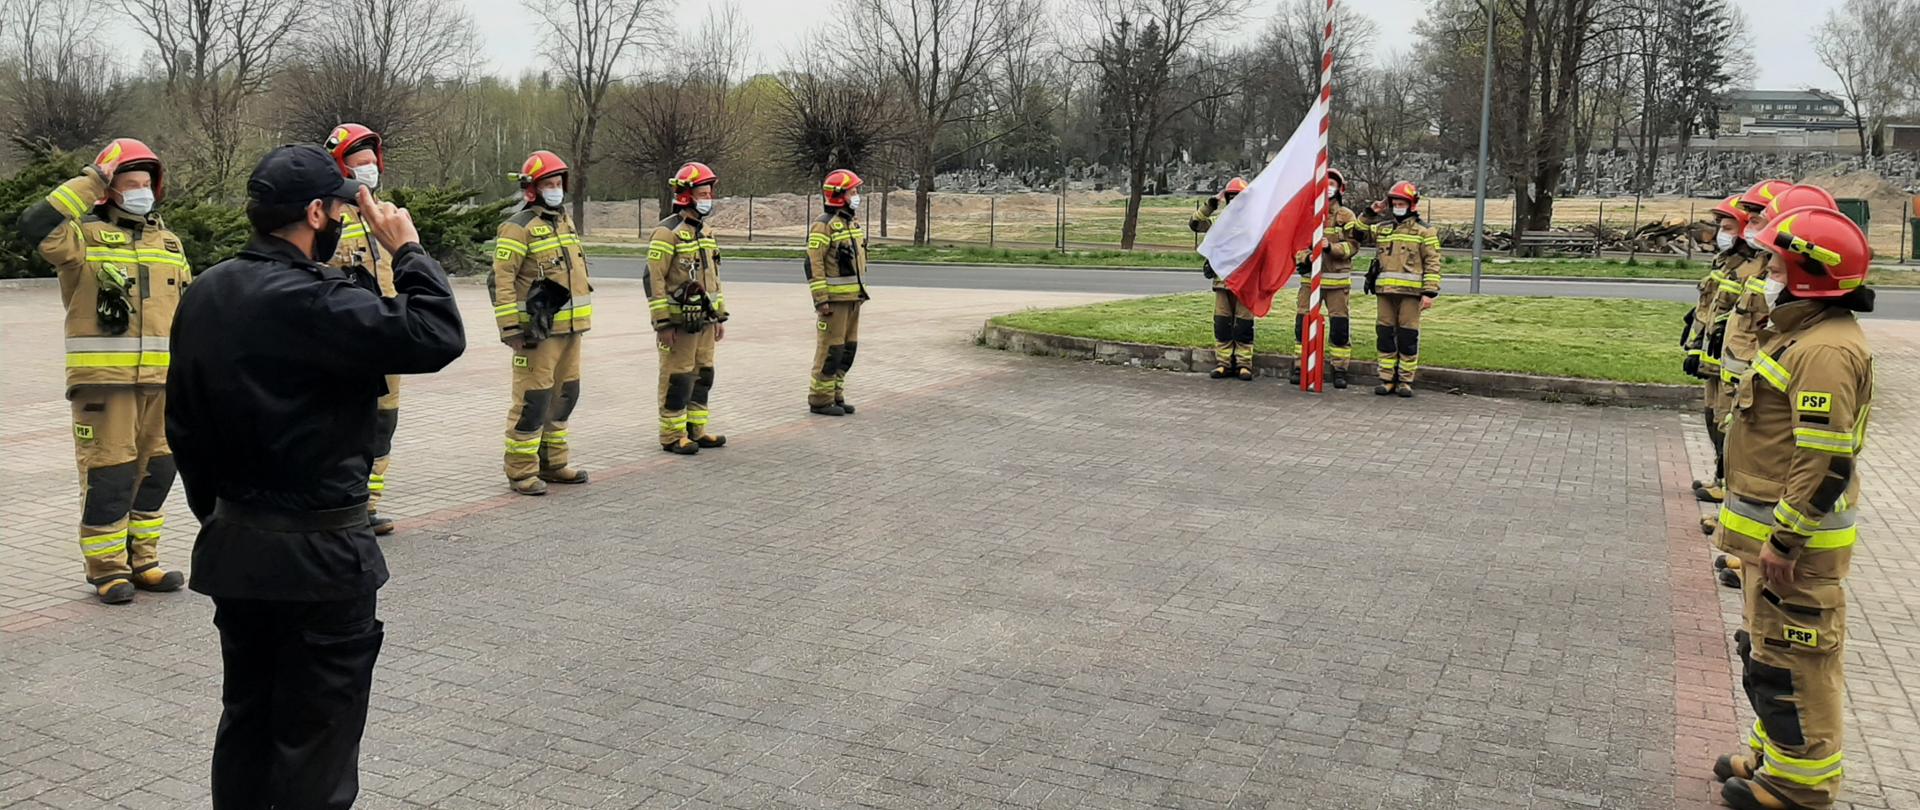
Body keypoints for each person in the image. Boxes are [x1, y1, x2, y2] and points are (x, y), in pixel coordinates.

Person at [166, 143, 465, 808]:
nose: (341, 218)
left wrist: (223, 516)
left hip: (237, 546)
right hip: (321, 554)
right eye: (336, 206)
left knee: (246, 720)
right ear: (314, 213)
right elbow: (438, 334)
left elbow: (183, 426)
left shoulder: (207, 292)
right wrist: (407, 250)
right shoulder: (316, 299)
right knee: (317, 741)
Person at [1710, 204, 1873, 810]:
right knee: (1768, 653)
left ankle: (1800, 787)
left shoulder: (1825, 352)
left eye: (1777, 261)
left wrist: (1784, 540)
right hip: (1775, 547)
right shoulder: (1804, 333)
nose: (1767, 269)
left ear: (1806, 273)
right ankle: (1773, 754)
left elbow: (1826, 463)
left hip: (1795, 552)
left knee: (1798, 663)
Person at [18, 138, 189, 604]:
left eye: (145, 184)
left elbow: (188, 314)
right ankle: (108, 570)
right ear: (110, 191)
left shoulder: (170, 243)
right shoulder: (81, 238)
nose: (140, 191)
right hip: (105, 385)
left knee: (157, 473)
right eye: (128, 183)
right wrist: (93, 177)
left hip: (163, 386)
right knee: (109, 476)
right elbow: (34, 224)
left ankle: (144, 561)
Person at [492, 150, 594, 494]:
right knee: (532, 401)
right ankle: (521, 472)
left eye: (558, 183)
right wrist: (510, 330)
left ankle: (554, 463)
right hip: (537, 333)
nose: (555, 189)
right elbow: (501, 280)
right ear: (532, 189)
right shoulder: (517, 227)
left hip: (571, 330)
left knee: (565, 396)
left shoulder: (564, 221)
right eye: (548, 184)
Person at [1696, 179, 1791, 506]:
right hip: (1728, 365)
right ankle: (1725, 491)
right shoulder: (1754, 267)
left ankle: (1730, 497)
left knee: (1740, 440)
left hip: (1748, 375)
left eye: (1754, 219)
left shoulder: (1772, 273)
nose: (1746, 228)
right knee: (1719, 424)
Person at [324, 124, 400, 533]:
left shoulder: (384, 215)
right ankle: (344, 505)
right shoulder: (326, 217)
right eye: (359, 163)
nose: (369, 170)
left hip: (386, 340)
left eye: (372, 162)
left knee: (383, 425)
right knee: (347, 428)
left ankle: (368, 506)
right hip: (347, 347)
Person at [1685, 195, 1760, 587]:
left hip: (1740, 373)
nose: (1719, 235)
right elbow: (1718, 313)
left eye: (1728, 227)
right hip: (1723, 365)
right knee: (1717, 426)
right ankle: (1729, 513)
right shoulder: (1733, 264)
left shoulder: (1754, 270)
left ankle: (1743, 545)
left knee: (1740, 449)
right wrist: (1697, 342)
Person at [648, 161, 730, 454]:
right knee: (677, 377)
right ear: (685, 195)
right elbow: (654, 279)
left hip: (705, 322)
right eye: (702, 193)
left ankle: (697, 429)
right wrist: (663, 323)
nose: (707, 199)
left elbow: (714, 280)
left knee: (702, 374)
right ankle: (672, 435)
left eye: (709, 193)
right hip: (679, 324)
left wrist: (719, 316)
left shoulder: (706, 232)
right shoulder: (666, 233)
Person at [1360, 181, 1442, 397]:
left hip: (1411, 295)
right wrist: (1371, 212)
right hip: (1385, 293)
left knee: (1407, 337)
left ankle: (1405, 381)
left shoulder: (1425, 231)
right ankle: (1386, 379)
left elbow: (1433, 262)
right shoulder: (1383, 229)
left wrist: (1429, 292)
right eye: (1394, 202)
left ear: (1412, 204)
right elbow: (1357, 233)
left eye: (1401, 202)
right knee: (1384, 335)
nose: (1397, 206)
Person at [1289, 168, 1365, 389]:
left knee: (1339, 327)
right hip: (1309, 281)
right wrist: (1307, 256)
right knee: (1302, 324)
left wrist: (1330, 247)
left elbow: (1354, 246)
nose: (1328, 188)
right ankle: (1300, 365)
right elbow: (1297, 245)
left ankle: (1339, 369)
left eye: (1332, 184)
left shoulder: (1346, 216)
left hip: (1337, 282)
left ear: (1340, 189)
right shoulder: (1308, 214)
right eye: (1324, 183)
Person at [805, 169, 871, 416]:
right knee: (830, 351)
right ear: (838, 196)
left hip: (853, 299)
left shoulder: (851, 223)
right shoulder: (824, 226)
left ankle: (836, 394)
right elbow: (814, 263)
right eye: (852, 192)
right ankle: (820, 399)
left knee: (847, 350)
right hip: (834, 303)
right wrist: (820, 299)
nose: (856, 196)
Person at [1190, 177, 1254, 380]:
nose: (1235, 201)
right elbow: (1195, 224)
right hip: (1222, 282)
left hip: (1244, 283)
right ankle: (1224, 363)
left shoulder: (1254, 223)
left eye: (1239, 198)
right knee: (1222, 324)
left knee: (1243, 325)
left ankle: (1244, 364)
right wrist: (1211, 205)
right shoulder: (1220, 222)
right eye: (1231, 197)